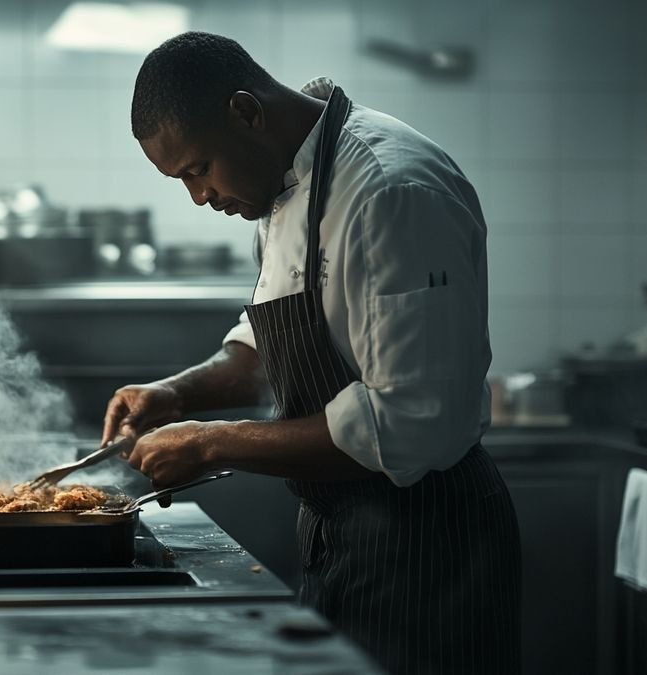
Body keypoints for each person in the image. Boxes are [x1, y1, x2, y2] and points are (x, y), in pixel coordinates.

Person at [103, 31, 520, 674]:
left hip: (430, 553)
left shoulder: (390, 191)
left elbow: (408, 422)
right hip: (342, 540)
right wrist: (175, 395)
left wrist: (210, 443)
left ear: (246, 112)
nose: (199, 196)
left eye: (198, 169)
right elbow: (269, 348)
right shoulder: (280, 186)